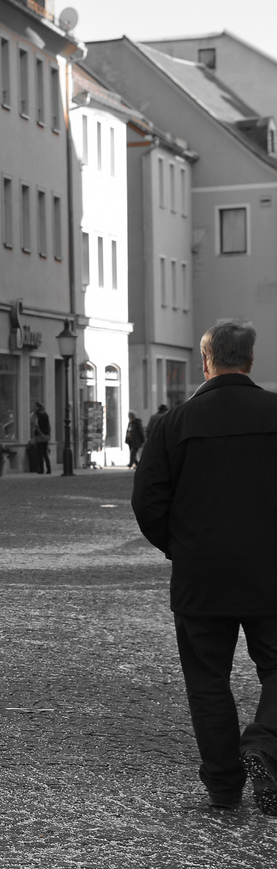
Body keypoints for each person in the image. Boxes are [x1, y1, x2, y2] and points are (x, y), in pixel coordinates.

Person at [132, 321, 277, 814]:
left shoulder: (174, 423)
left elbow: (148, 502)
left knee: (207, 680)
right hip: (272, 571)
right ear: (250, 361)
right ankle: (264, 744)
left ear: (206, 361)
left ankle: (223, 785)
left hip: (201, 574)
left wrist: (181, 546)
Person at [29, 401, 52, 474]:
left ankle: (41, 469)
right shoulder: (45, 414)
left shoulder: (36, 415)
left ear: (38, 407)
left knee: (40, 453)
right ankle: (49, 469)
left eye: (35, 406)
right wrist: (48, 434)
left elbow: (36, 425)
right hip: (46, 435)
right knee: (45, 453)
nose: (33, 408)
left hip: (40, 435)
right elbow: (49, 425)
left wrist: (40, 433)